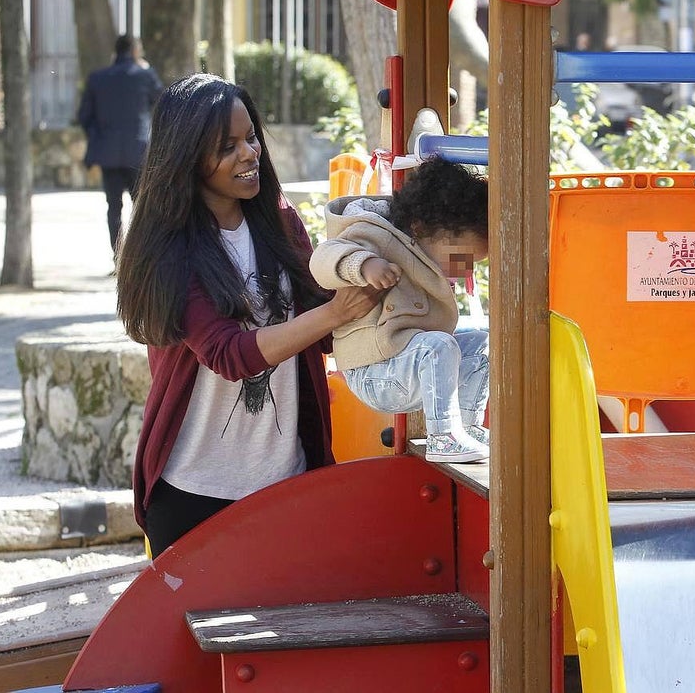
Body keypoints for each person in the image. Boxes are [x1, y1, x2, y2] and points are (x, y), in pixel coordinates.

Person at [116, 73, 383, 557]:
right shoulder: (171, 250)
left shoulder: (279, 221)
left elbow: (321, 331)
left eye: (251, 137)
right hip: (193, 494)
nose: (249, 153)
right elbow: (229, 354)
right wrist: (333, 314)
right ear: (186, 157)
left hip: (288, 481)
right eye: (227, 145)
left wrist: (369, 272)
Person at [309, 158, 491, 464]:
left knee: (481, 343)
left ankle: (466, 427)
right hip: (373, 371)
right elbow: (323, 259)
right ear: (421, 229)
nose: (465, 270)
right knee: (439, 346)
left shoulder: (424, 251)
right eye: (462, 257)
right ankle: (443, 436)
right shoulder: (374, 234)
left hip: (404, 361)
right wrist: (364, 265)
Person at [77, 34, 163, 257]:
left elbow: (84, 116)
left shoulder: (98, 78)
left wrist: (99, 137)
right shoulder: (144, 75)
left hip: (109, 154)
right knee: (141, 208)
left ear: (114, 52)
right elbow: (161, 101)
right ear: (135, 50)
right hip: (138, 151)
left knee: (113, 207)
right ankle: (141, 257)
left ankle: (118, 257)